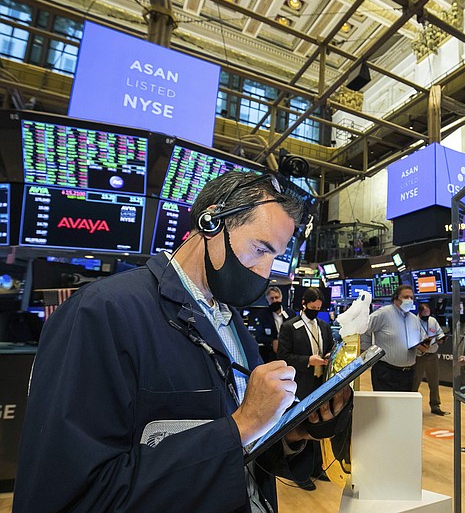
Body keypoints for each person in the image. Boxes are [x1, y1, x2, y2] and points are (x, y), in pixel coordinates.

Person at [13, 171, 350, 513]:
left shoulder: (232, 324)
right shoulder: (102, 312)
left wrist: (296, 433)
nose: (265, 272)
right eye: (260, 250)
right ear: (211, 222)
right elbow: (69, 494)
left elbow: (247, 454)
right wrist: (241, 425)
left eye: (274, 257)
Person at [278, 286, 335, 491]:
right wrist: (307, 361)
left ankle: (316, 469)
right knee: (300, 429)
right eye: (313, 307)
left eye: (319, 308)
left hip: (321, 384)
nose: (316, 311)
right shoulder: (289, 326)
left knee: (318, 427)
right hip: (300, 385)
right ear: (304, 304)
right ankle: (299, 474)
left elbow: (329, 348)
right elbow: (283, 357)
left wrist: (329, 356)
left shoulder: (324, 326)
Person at [361, 284, 428, 391]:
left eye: (411, 298)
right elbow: (364, 329)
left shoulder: (414, 319)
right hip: (386, 372)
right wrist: (368, 351)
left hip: (408, 373)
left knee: (403, 406)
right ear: (396, 299)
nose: (409, 300)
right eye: (406, 297)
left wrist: (422, 349)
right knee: (386, 406)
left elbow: (421, 340)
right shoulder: (383, 313)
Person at [412, 301, 449, 416]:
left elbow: (439, 333)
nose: (427, 316)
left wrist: (441, 338)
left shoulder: (432, 321)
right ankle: (411, 405)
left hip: (432, 354)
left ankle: (435, 406)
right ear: (420, 313)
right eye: (425, 314)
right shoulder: (413, 322)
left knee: (434, 381)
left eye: (428, 314)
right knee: (415, 381)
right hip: (419, 356)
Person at [252, 285, 291, 363]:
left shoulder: (290, 313)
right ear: (267, 300)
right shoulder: (262, 315)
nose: (274, 300)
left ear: (281, 298)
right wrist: (272, 341)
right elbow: (259, 336)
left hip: (289, 353)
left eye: (276, 297)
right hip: (270, 355)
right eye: (271, 298)